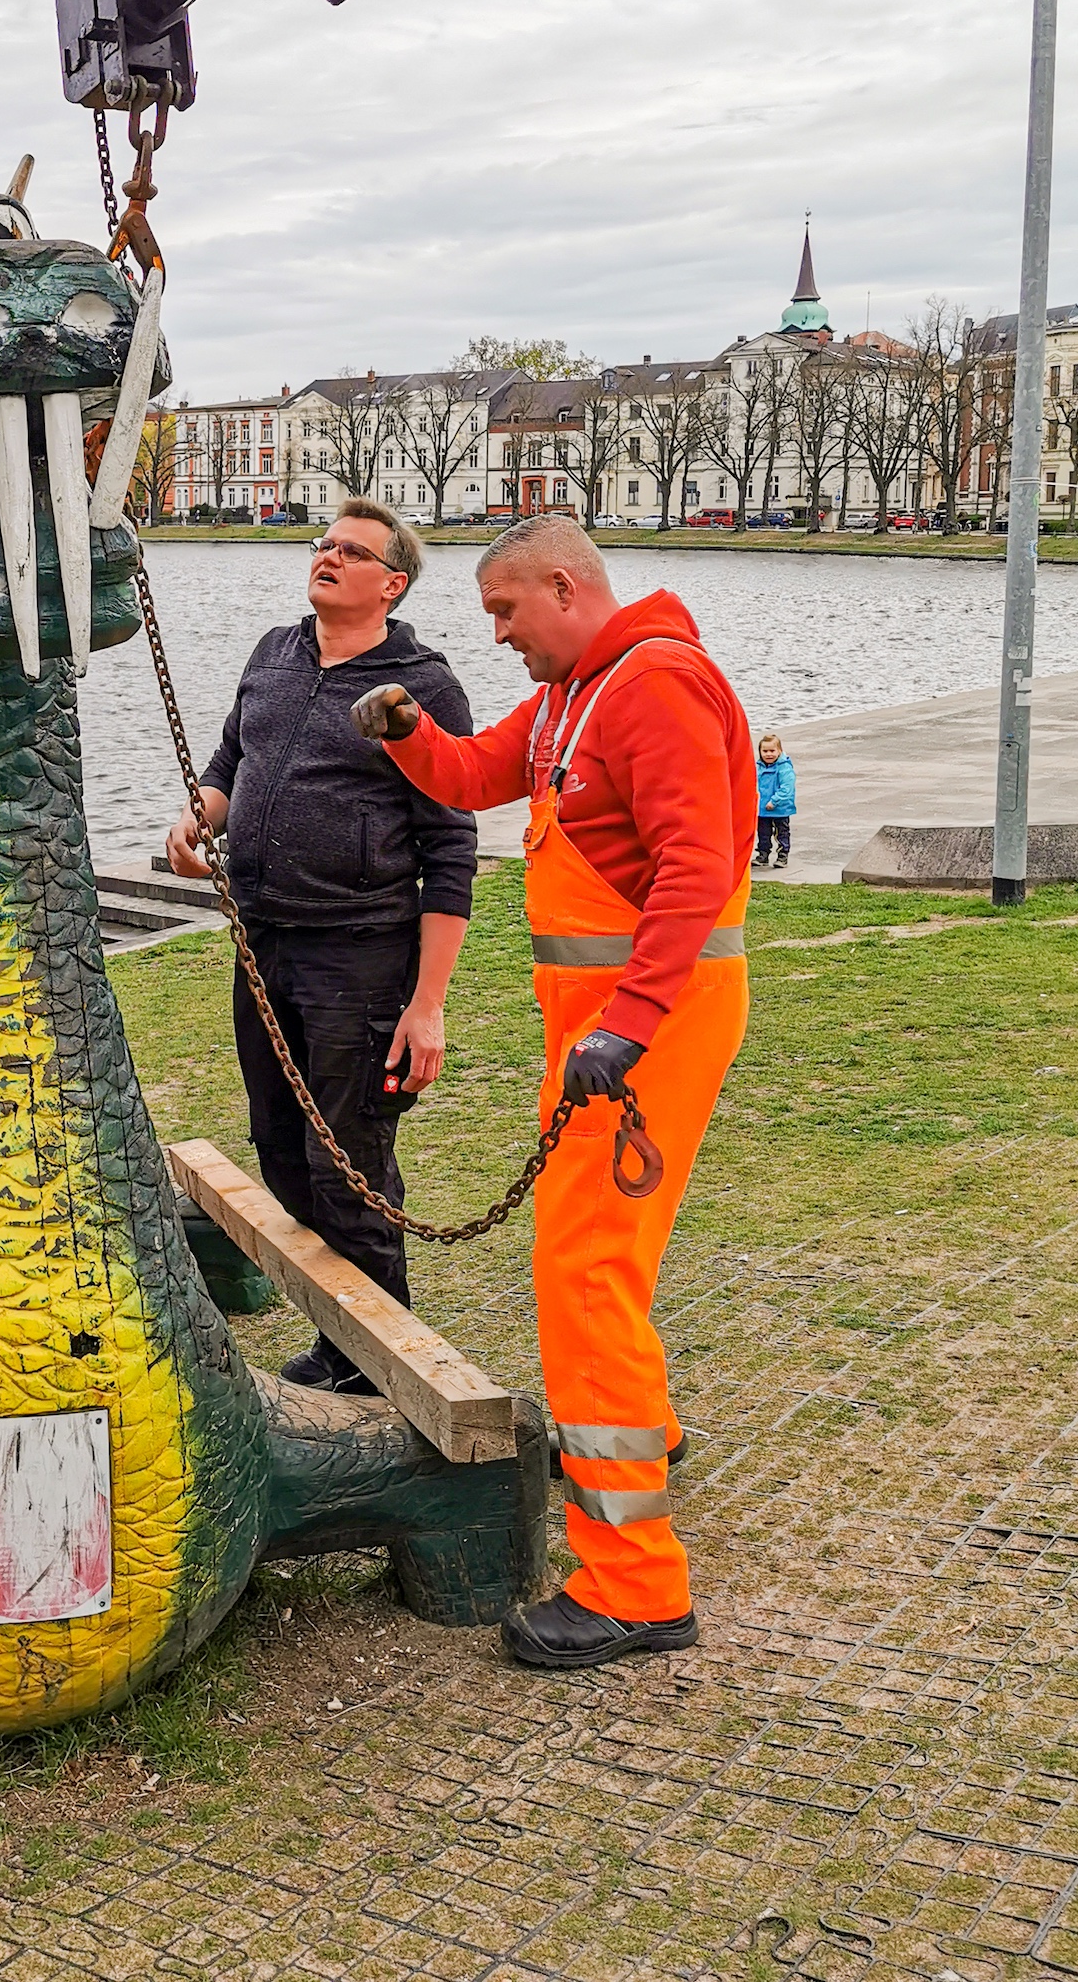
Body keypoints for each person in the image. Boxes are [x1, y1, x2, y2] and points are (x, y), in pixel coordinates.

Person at [351, 515, 754, 1670]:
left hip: (646, 1026)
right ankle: (643, 1439)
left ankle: (634, 1584)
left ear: (566, 589)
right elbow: (479, 774)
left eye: (505, 613)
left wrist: (630, 1021)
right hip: (610, 1027)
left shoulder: (652, 686)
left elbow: (697, 862)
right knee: (601, 1251)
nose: (499, 636)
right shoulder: (583, 689)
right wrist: (410, 731)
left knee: (582, 1270)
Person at [164, 499, 477, 1391]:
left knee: (350, 1163)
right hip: (263, 943)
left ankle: (380, 1371)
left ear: (393, 582)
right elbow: (231, 760)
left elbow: (450, 845)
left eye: (351, 551)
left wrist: (427, 1005)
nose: (327, 557)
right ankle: (344, 1343)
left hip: (361, 957)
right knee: (278, 1145)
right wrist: (200, 815)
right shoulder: (275, 650)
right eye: (323, 544)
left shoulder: (421, 687)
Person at [754, 732, 795, 869]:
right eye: (765, 751)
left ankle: (782, 855)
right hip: (762, 809)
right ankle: (763, 854)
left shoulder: (784, 768)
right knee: (763, 833)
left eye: (772, 751)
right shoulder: (758, 767)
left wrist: (774, 801)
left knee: (782, 832)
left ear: (779, 751)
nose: (768, 754)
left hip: (780, 809)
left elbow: (787, 788)